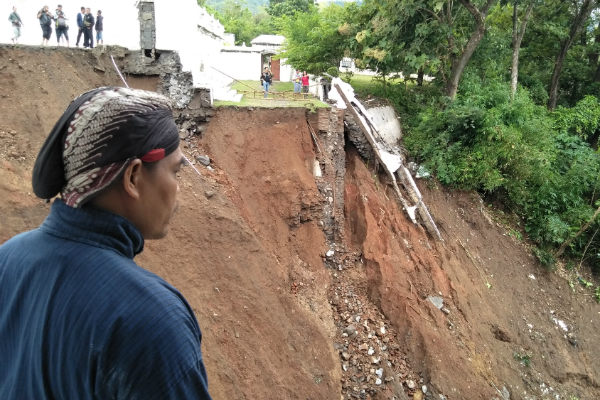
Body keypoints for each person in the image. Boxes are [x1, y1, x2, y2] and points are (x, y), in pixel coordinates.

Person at [0, 87, 212, 400]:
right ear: (134, 177)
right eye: (175, 171)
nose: (178, 189)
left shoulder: (7, 259)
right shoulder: (152, 319)